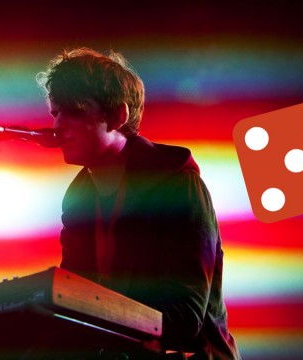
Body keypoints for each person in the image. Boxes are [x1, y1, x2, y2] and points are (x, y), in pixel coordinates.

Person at [37, 47, 241, 359]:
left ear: (118, 116)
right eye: (55, 113)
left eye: (73, 111)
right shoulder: (78, 198)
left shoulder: (176, 185)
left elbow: (184, 317)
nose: (57, 125)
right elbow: (76, 298)